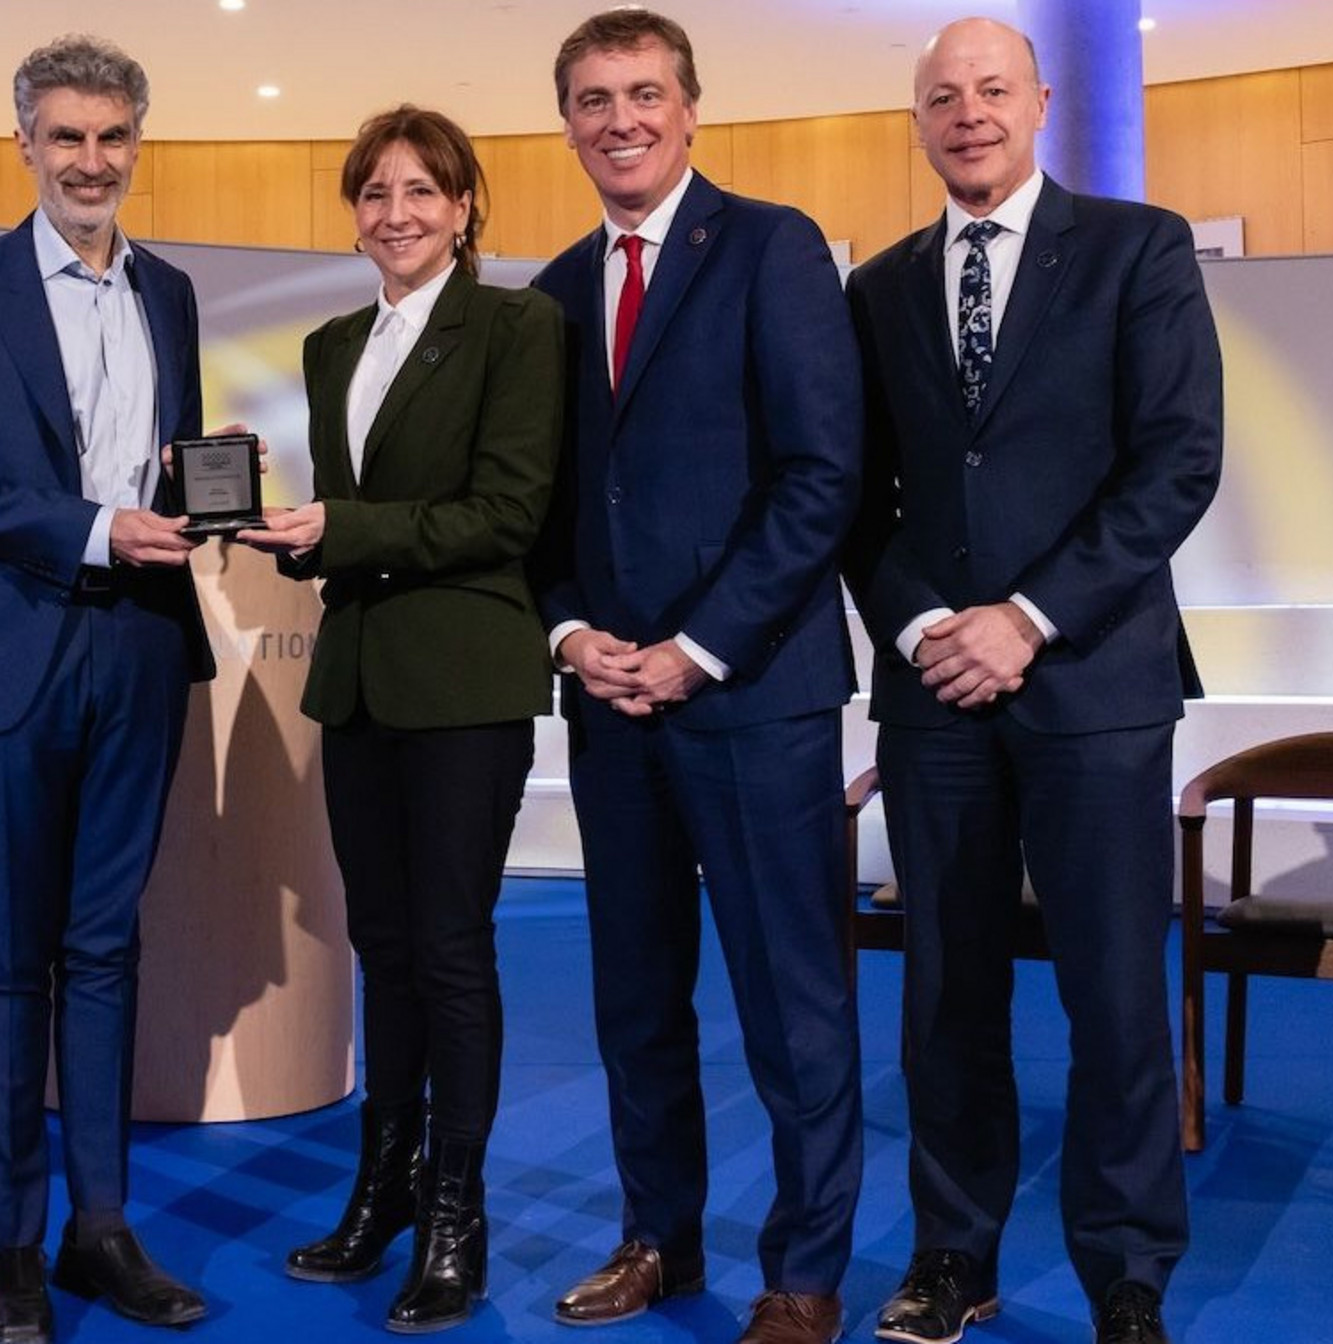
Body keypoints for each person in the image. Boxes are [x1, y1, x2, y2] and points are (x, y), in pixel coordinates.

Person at [844, 19, 1221, 1344]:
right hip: (936, 693)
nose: (969, 113)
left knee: (1114, 988)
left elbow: (1176, 462)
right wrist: (931, 626)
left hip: (1095, 686)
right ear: (920, 119)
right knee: (945, 989)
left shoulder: (1139, 250)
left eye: (993, 89)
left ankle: (1128, 1266)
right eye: (942, 96)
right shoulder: (879, 287)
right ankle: (955, 1251)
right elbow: (858, 499)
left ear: (1042, 101)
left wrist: (1030, 618)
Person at [527, 10, 865, 1344]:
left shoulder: (772, 247)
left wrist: (695, 647)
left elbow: (821, 473)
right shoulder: (552, 289)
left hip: (753, 695)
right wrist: (569, 635)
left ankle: (805, 1273)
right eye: (595, 99)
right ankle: (656, 1239)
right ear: (567, 122)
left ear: (690, 108)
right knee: (636, 1000)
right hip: (613, 711)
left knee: (794, 1007)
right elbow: (541, 510)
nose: (621, 119)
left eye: (644, 94)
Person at [0, 33, 217, 1344]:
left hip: (139, 649)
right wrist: (94, 529)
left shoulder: (173, 292)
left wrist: (210, 492)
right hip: (9, 650)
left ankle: (100, 1226)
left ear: (139, 143)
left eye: (113, 137)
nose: (92, 160)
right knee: (11, 953)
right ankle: (13, 1250)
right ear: (24, 143)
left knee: (105, 945)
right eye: (67, 137)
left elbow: (172, 463)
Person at [238, 105, 561, 1334]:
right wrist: (292, 529)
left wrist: (345, 529)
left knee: (449, 950)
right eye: (373, 192)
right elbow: (354, 510)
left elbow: (507, 514)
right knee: (380, 946)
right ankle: (378, 1190)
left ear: (466, 204)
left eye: (422, 190)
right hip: (361, 678)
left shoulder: (518, 327)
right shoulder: (331, 344)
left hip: (466, 680)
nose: (396, 213)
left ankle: (453, 1222)